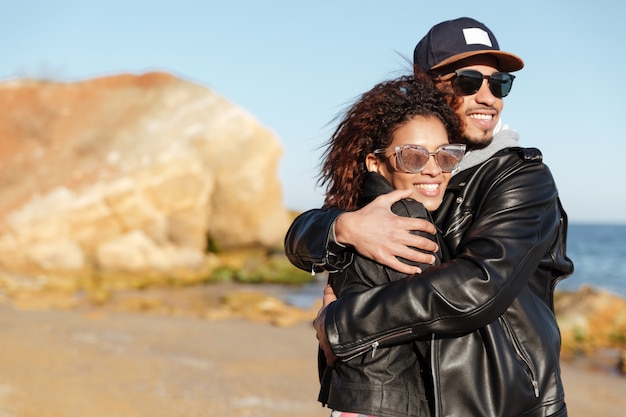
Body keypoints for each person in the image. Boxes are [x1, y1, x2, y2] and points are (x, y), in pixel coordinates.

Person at [284, 17, 574, 417]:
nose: (488, 96)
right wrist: (343, 227)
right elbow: (300, 240)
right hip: (418, 399)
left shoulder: (523, 178)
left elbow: (476, 287)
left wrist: (340, 325)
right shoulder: (402, 160)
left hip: (505, 403)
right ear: (427, 85)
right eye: (469, 81)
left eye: (500, 83)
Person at [315, 74, 465, 417]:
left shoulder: (358, 212)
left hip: (357, 401)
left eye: (445, 156)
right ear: (375, 162)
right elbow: (448, 311)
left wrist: (332, 320)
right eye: (413, 157)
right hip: (388, 406)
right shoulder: (406, 219)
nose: (433, 170)